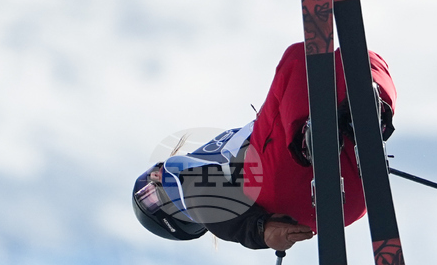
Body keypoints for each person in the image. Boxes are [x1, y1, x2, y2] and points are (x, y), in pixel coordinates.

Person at [132, 42, 396, 252]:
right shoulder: (178, 178)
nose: (154, 187)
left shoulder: (215, 170)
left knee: (353, 58)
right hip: (280, 180)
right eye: (150, 198)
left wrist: (262, 229)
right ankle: (311, 138)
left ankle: (366, 113)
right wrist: (261, 229)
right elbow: (194, 190)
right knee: (300, 60)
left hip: (346, 206)